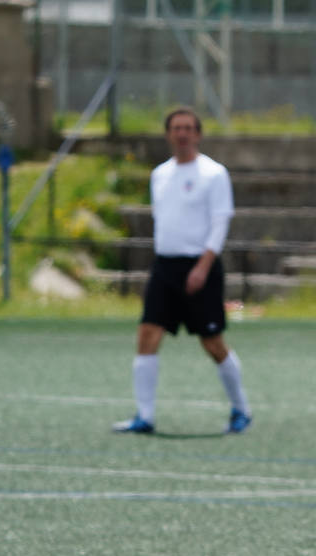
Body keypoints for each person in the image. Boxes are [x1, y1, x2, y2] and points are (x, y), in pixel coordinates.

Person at [113, 107, 252, 435]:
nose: (183, 134)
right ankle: (144, 416)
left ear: (198, 134)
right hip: (165, 267)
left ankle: (241, 408)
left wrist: (202, 266)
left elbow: (220, 223)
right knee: (147, 335)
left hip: (200, 266)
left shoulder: (214, 174)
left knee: (212, 342)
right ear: (168, 134)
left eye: (189, 128)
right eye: (176, 128)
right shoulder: (160, 174)